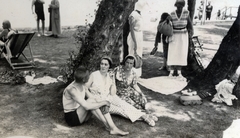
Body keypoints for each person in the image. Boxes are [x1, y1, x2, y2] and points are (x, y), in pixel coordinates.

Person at [85, 56, 158, 127]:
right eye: (102, 64)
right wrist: (92, 98)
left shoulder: (109, 75)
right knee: (120, 111)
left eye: (105, 64)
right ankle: (145, 117)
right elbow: (85, 88)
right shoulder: (94, 75)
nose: (103, 66)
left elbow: (113, 93)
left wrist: (113, 81)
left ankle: (145, 115)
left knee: (125, 105)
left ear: (109, 66)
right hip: (100, 101)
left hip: (110, 97)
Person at [62, 66, 129, 136]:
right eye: (88, 76)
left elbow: (92, 98)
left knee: (94, 101)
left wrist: (102, 102)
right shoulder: (72, 89)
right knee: (91, 102)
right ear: (84, 80)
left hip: (80, 114)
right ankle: (110, 126)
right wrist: (104, 102)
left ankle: (112, 127)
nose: (89, 77)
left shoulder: (81, 83)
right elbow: (86, 106)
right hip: (72, 118)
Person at [167, 0, 194, 80]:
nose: (179, 8)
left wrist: (191, 32)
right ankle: (171, 71)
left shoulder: (186, 12)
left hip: (183, 35)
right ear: (175, 5)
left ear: (183, 6)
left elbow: (189, 24)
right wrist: (168, 21)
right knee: (172, 52)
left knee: (181, 53)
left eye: (181, 6)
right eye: (178, 6)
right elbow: (168, 24)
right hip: (174, 35)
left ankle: (179, 72)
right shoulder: (172, 13)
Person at [127, 1, 146, 77]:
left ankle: (137, 74)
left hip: (139, 35)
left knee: (138, 54)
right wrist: (135, 42)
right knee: (133, 53)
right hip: (134, 36)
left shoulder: (139, 14)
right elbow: (131, 29)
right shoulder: (133, 15)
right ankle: (131, 73)